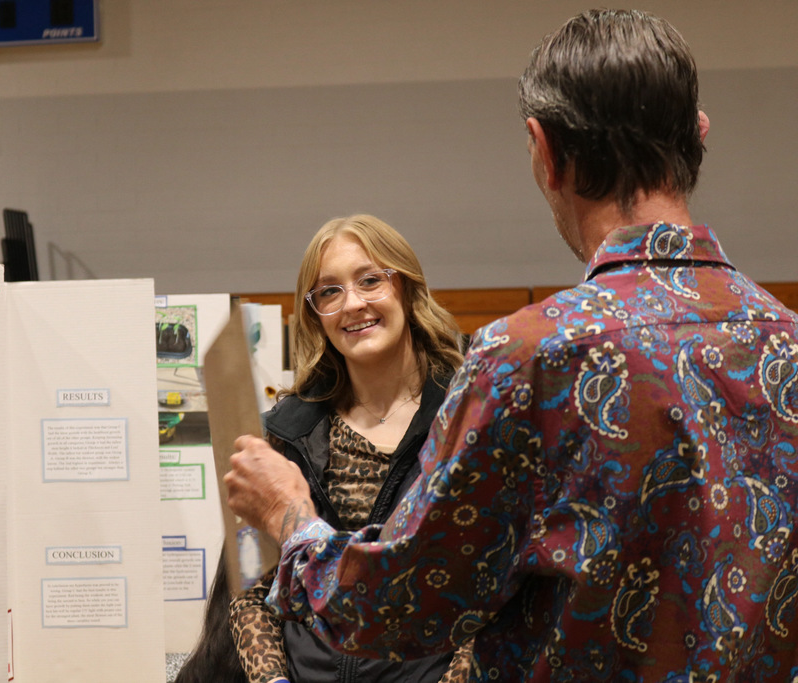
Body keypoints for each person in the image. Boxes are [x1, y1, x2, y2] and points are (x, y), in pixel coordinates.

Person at [224, 9, 798, 682]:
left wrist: (289, 514)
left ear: (546, 151)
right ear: (698, 134)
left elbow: (398, 605)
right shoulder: (786, 346)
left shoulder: (528, 358)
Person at [180, 214, 469, 683]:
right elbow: (251, 586)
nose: (352, 303)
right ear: (315, 313)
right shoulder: (286, 434)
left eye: (370, 280)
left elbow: (493, 592)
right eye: (329, 292)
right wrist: (273, 681)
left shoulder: (466, 421)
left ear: (406, 287)